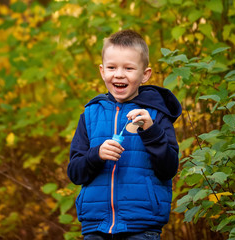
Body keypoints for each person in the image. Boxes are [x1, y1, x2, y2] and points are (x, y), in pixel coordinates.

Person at [67, 29, 182, 240]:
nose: (119, 74)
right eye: (112, 67)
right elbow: (75, 173)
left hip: (141, 226)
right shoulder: (91, 114)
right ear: (102, 71)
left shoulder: (156, 115)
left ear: (145, 74)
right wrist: (96, 155)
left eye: (129, 68)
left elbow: (169, 169)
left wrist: (150, 131)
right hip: (95, 227)